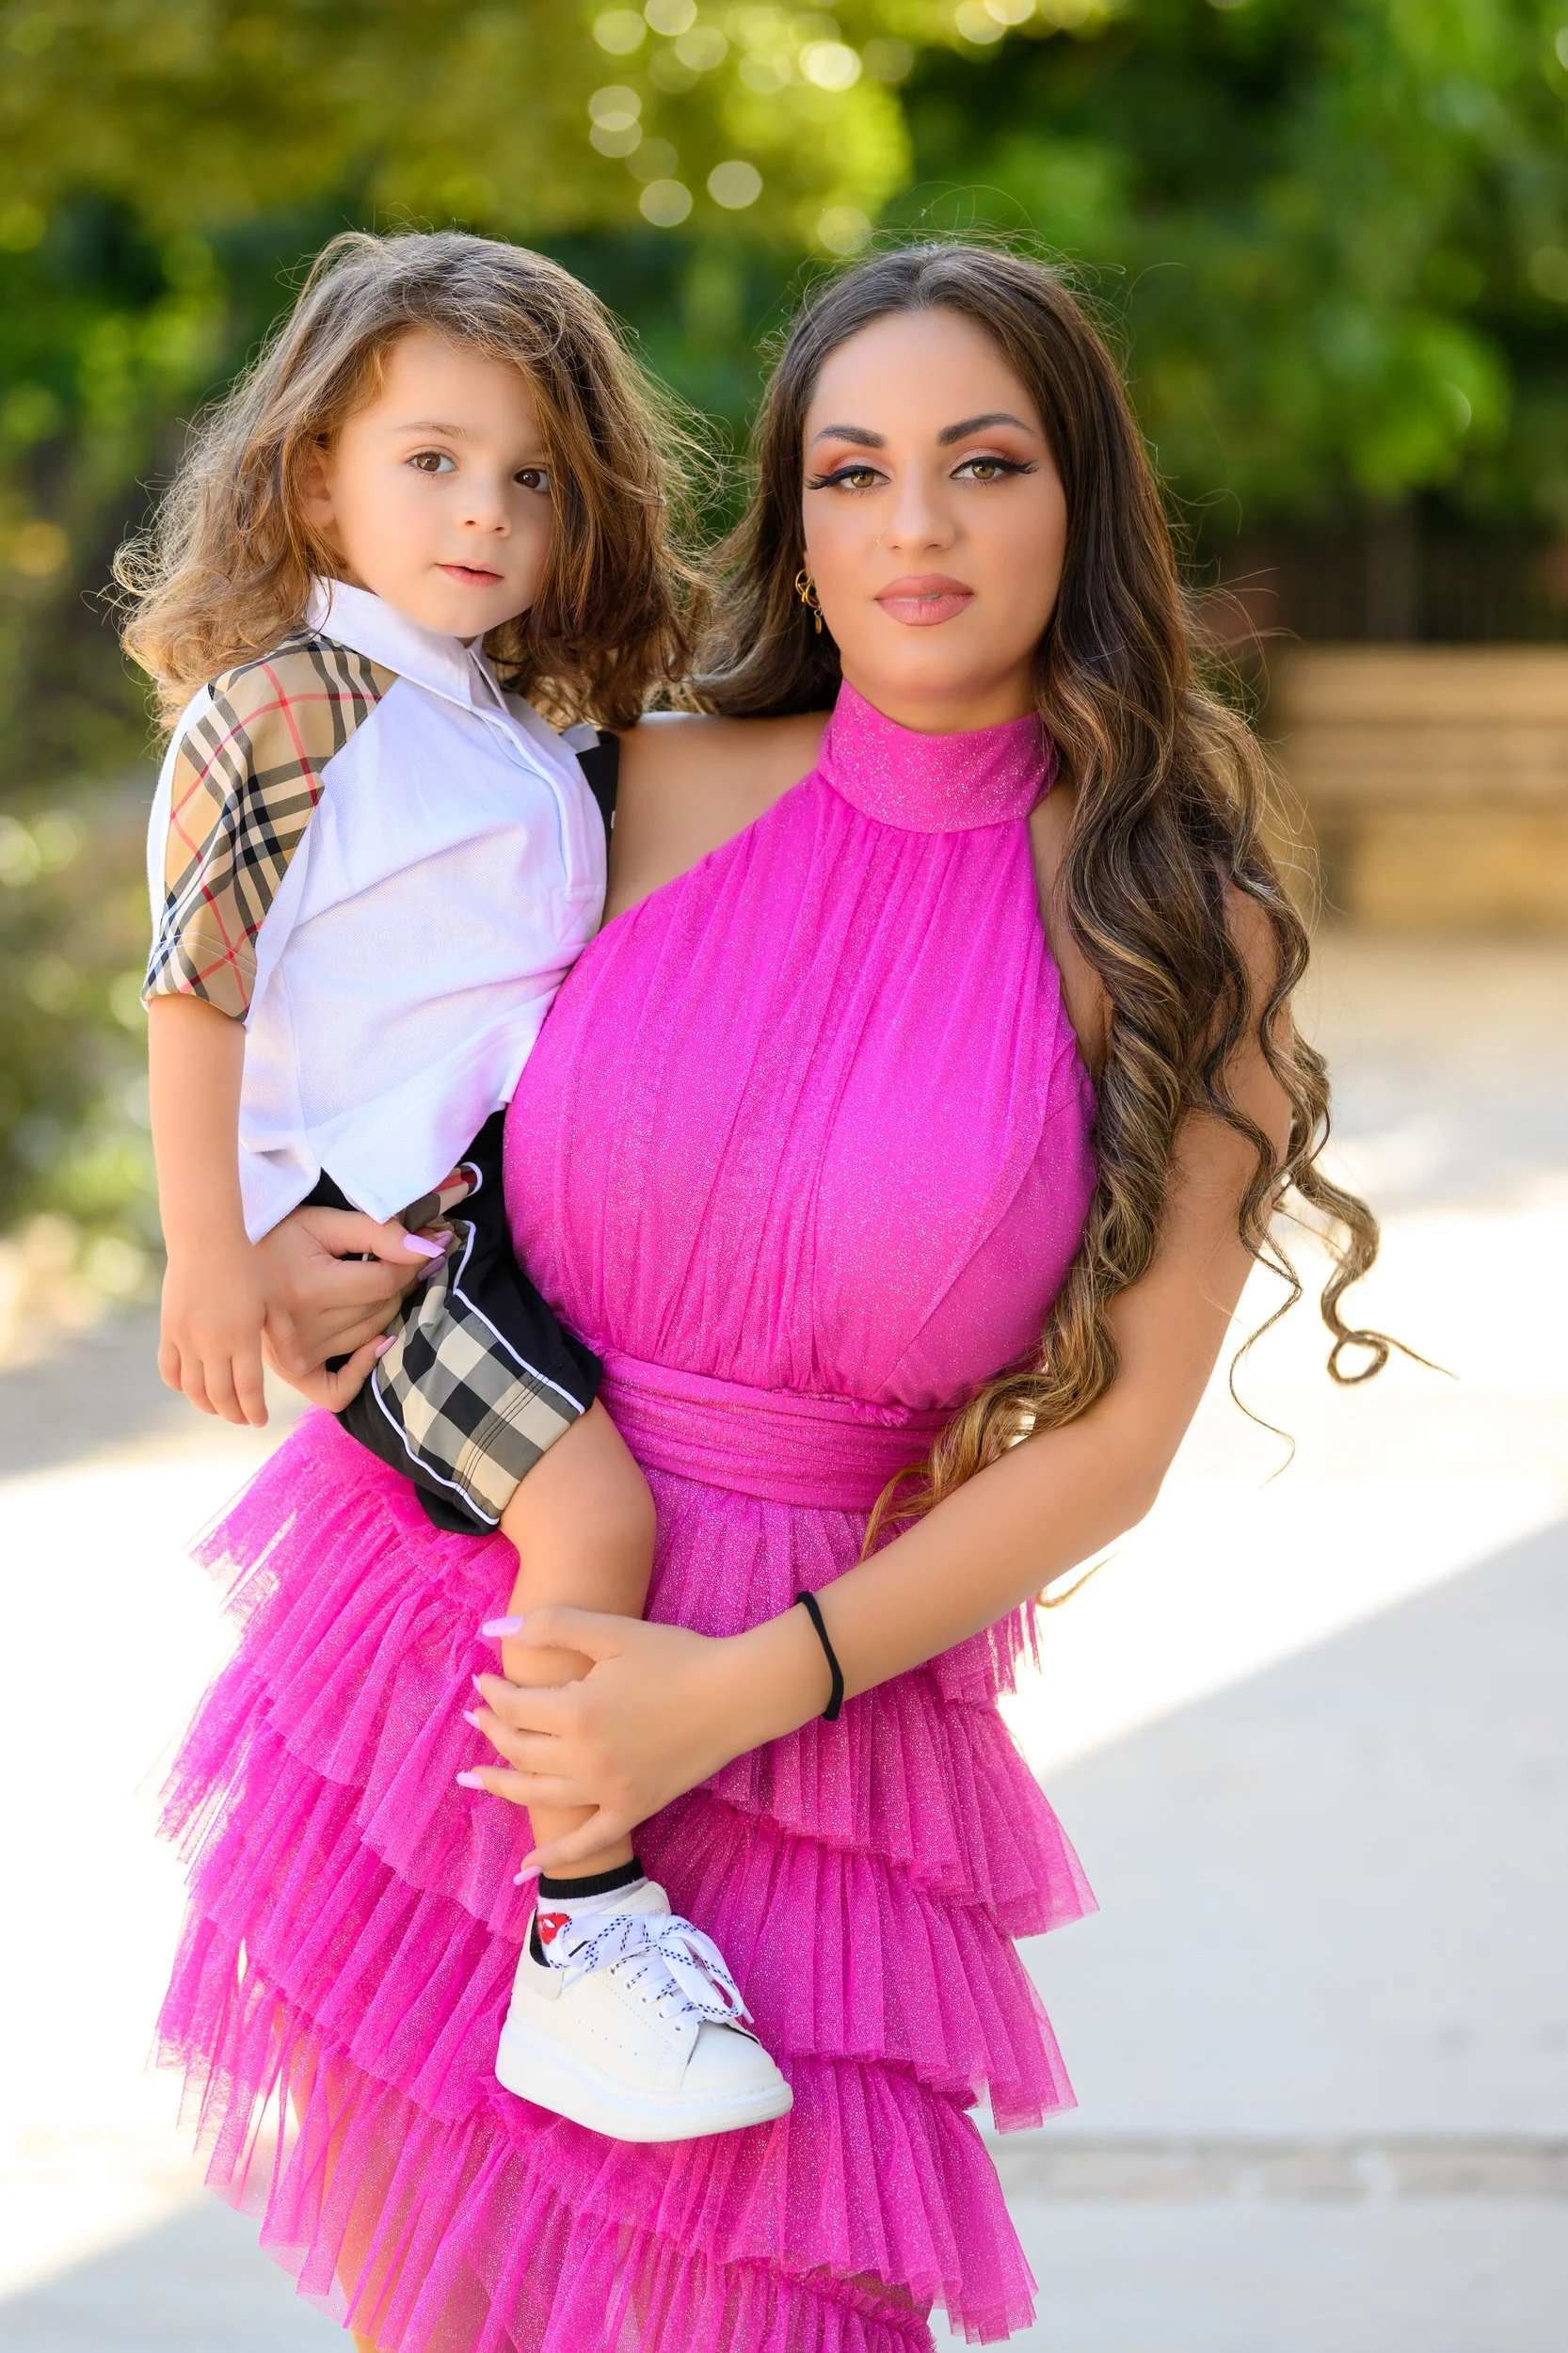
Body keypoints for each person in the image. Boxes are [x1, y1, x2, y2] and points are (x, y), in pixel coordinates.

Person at [158, 241, 1389, 2352]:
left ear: (1079, 502)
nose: (912, 526)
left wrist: (728, 1692)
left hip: (808, 1717)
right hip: (464, 1672)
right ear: (793, 525)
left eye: (980, 464)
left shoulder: (1181, 936)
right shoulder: (614, 792)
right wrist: (257, 1234)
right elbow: (297, 969)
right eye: (850, 471)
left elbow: (1112, 1452)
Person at [125, 227, 791, 2143]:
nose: (483, 511)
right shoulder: (292, 705)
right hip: (382, 1226)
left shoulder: (497, 725)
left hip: (498, 1211)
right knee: (595, 1517)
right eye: (429, 459)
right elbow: (197, 980)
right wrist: (213, 1258)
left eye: (528, 476)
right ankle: (581, 1935)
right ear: (313, 464)